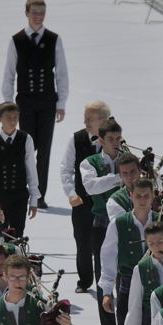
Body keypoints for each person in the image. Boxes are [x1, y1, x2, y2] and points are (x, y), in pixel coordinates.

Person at [1, 0, 69, 207]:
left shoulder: (53, 39)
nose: (38, 16)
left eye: (42, 13)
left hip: (47, 101)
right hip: (25, 103)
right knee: (27, 148)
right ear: (27, 13)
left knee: (45, 150)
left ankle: (40, 196)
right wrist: (8, 104)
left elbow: (62, 73)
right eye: (34, 12)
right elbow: (9, 73)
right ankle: (26, 192)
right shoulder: (17, 40)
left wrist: (61, 103)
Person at [100, 178, 162, 325]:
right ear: (130, 196)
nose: (143, 200)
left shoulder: (162, 221)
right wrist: (107, 290)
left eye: (147, 196)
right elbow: (108, 256)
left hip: (158, 285)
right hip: (128, 283)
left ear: (153, 196)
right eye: (138, 196)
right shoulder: (119, 223)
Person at [78, 118, 125, 325]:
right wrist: (119, 178)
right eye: (111, 139)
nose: (116, 143)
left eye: (118, 138)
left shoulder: (129, 160)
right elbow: (91, 187)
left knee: (125, 276)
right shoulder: (90, 162)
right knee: (103, 276)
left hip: (126, 223)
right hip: (101, 223)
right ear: (100, 140)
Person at [58, 101, 110, 294]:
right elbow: (66, 169)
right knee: (83, 241)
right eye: (85, 117)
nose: (85, 121)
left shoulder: (113, 139)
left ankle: (106, 281)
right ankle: (85, 279)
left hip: (107, 203)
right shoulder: (76, 139)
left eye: (90, 118)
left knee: (106, 243)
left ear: (103, 120)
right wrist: (71, 193)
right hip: (82, 201)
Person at [0, 101, 39, 237]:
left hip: (19, 196)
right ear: (0, 118)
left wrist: (34, 198)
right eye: (8, 118)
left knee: (17, 235)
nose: (12, 121)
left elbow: (31, 169)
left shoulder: (26, 139)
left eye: (15, 118)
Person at [105, 153, 143, 220]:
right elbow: (121, 225)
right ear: (120, 176)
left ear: (140, 171)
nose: (129, 177)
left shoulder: (154, 193)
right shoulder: (115, 200)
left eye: (132, 171)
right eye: (125, 173)